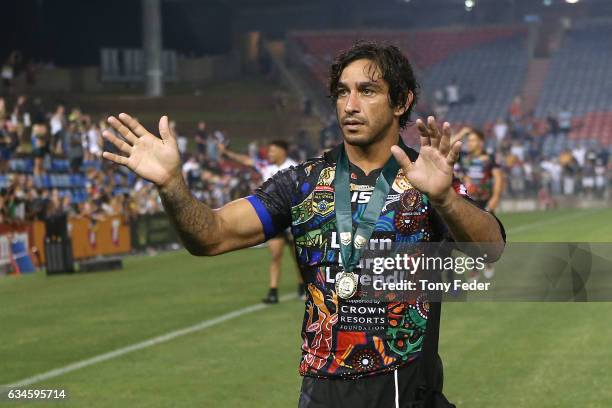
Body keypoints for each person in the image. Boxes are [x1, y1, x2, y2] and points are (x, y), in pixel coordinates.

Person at [101, 42, 505, 408]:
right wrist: (173, 186)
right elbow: (210, 236)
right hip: (321, 392)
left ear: (401, 101)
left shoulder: (424, 178)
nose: (350, 105)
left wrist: (445, 198)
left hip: (404, 389)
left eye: (367, 91)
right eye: (342, 92)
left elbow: (491, 251)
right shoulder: (302, 184)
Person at [218, 140, 304, 303]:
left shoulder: (294, 168)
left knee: (298, 257)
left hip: (293, 219)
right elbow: (247, 161)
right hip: (274, 218)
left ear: (282, 151)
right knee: (275, 255)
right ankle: (273, 291)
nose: (269, 153)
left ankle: (302, 287)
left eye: (272, 150)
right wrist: (227, 152)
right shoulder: (267, 167)